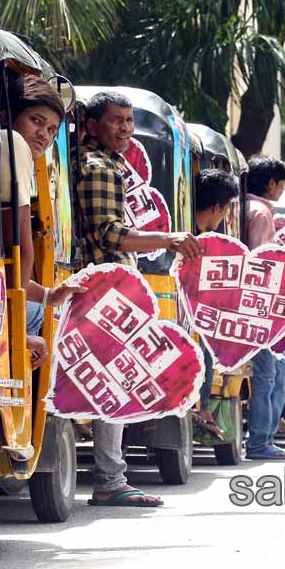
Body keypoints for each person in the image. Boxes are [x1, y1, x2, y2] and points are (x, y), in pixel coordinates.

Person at [73, 91, 202, 507]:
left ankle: (112, 476)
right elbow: (107, 235)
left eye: (129, 121)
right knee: (113, 383)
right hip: (103, 290)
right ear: (93, 125)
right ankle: (110, 480)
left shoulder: (107, 164)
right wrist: (169, 239)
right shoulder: (98, 168)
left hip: (106, 287)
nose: (125, 128)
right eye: (116, 121)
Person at [0, 74, 85, 367]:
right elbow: (21, 250)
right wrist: (16, 333)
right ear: (10, 115)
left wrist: (50, 295)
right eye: (36, 121)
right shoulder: (13, 145)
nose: (44, 135)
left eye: (51, 130)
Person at [243, 156, 285, 460]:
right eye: (282, 184)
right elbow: (262, 264)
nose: (283, 190)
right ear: (272, 183)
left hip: (252, 306)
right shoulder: (261, 213)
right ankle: (260, 442)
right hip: (259, 307)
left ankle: (264, 438)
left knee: (278, 372)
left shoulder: (247, 208)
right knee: (269, 374)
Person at [190, 168, 241, 438]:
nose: (223, 217)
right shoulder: (189, 237)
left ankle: (204, 406)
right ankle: (203, 407)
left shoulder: (195, 232)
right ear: (215, 207)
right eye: (225, 210)